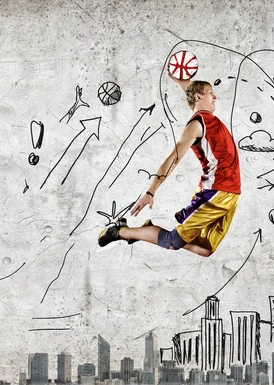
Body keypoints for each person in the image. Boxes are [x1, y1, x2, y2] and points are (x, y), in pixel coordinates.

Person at [98, 69, 241, 257]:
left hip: (231, 192)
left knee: (206, 248)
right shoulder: (196, 125)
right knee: (173, 242)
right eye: (210, 93)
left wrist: (179, 81)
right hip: (216, 191)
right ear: (199, 97)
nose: (215, 96)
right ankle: (121, 231)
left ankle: (147, 232)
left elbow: (192, 91)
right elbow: (173, 160)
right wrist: (150, 191)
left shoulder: (208, 118)